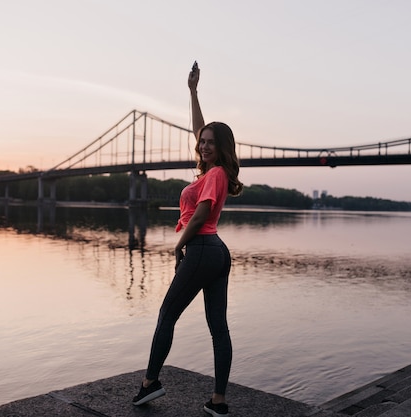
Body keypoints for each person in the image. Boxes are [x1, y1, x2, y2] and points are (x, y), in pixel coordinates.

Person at [132, 63, 243, 417]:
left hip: (201, 249)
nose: (204, 145)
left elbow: (200, 213)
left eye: (211, 143)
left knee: (167, 315)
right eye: (203, 142)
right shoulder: (215, 170)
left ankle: (150, 384)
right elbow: (201, 129)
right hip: (218, 254)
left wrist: (179, 245)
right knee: (218, 327)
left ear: (222, 147)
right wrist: (193, 91)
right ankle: (218, 402)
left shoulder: (215, 175)